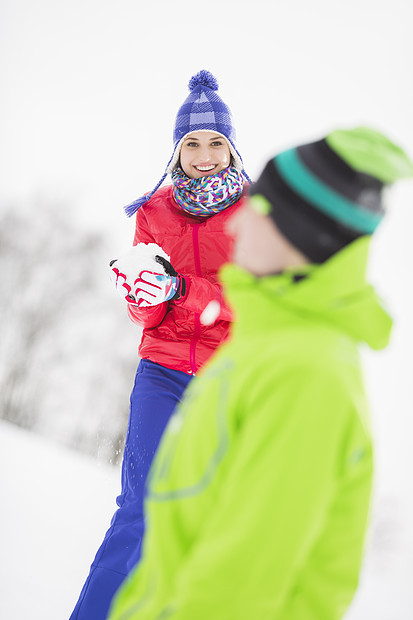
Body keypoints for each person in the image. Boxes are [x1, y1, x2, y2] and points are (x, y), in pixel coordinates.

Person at [108, 127, 413, 620]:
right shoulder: (267, 346)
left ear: (303, 233)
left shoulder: (304, 375)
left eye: (258, 211)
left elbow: (238, 587)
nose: (232, 227)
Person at [69, 70, 250, 620]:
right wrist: (142, 292)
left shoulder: (257, 214)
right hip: (162, 374)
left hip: (229, 379)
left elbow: (253, 304)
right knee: (138, 511)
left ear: (232, 148)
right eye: (192, 143)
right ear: (176, 150)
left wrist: (181, 289)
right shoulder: (154, 212)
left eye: (215, 142)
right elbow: (147, 316)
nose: (204, 154)